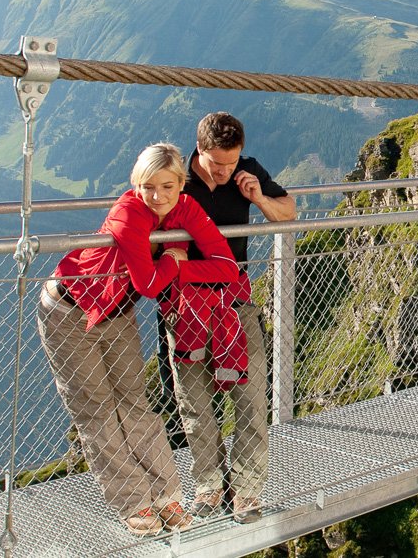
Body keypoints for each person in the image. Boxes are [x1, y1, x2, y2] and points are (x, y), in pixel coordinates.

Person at [36, 143, 248, 536]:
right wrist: (175, 259)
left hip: (117, 312)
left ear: (181, 184)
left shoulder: (185, 208)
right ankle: (134, 501)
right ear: (137, 184)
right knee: (97, 410)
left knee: (135, 404)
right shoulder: (128, 213)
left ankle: (166, 494)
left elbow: (228, 269)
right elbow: (149, 283)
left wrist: (180, 268)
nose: (158, 196)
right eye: (148, 186)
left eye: (167, 186)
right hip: (69, 310)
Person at [156, 111, 295, 523]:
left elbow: (287, 213)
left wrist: (258, 198)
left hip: (234, 301)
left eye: (230, 163)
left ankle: (247, 491)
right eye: (216, 163)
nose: (223, 171)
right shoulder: (176, 177)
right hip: (184, 304)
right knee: (195, 402)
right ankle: (209, 484)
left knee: (251, 398)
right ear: (198, 150)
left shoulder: (247, 171)